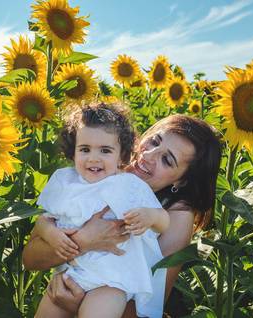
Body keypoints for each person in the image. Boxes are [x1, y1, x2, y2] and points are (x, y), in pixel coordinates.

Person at [23, 111, 222, 318]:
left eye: (167, 160)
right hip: (68, 284)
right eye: (154, 141)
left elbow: (145, 307)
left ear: (181, 181)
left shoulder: (176, 216)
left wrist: (76, 304)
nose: (148, 155)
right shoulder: (99, 168)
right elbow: (30, 259)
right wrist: (83, 241)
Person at [34, 101, 171, 318]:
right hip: (71, 274)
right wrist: (51, 234)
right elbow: (43, 220)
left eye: (105, 151)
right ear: (73, 153)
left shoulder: (129, 185)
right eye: (84, 149)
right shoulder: (65, 181)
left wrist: (149, 216)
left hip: (112, 281)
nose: (93, 158)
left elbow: (164, 221)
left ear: (122, 157)